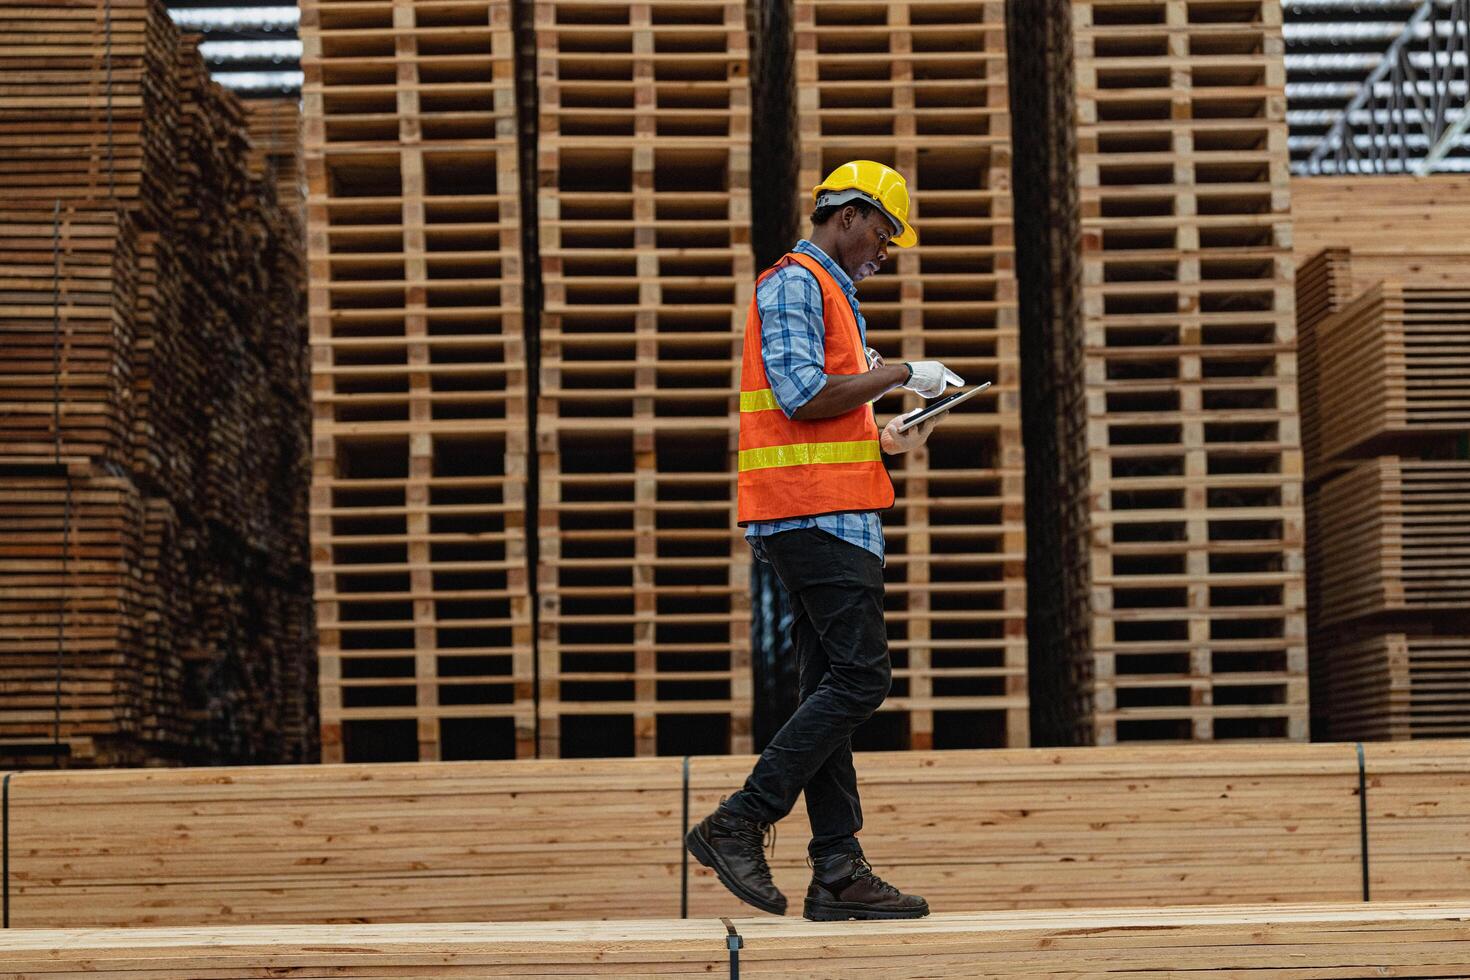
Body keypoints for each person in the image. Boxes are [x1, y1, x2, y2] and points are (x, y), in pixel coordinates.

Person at [685, 161, 961, 921]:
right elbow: (802, 394)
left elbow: (828, 414)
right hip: (813, 517)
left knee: (828, 689)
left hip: (833, 511)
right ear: (846, 215)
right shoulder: (794, 284)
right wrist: (907, 371)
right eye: (883, 231)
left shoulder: (832, 295)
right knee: (862, 679)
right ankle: (739, 820)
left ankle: (838, 871)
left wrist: (888, 432)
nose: (886, 249)